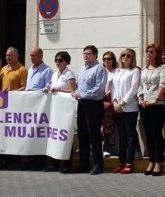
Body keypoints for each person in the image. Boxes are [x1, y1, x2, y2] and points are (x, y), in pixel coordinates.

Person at [73, 45, 107, 175]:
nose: (85, 56)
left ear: (95, 55)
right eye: (84, 53)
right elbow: (78, 86)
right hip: (82, 105)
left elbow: (99, 89)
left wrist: (82, 94)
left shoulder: (99, 69)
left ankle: (98, 165)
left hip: (93, 105)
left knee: (94, 135)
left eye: (88, 53)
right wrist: (76, 92)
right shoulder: (82, 69)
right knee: (82, 135)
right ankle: (84, 163)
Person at [138, 42, 165, 176]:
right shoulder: (144, 70)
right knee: (148, 134)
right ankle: (151, 160)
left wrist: (155, 99)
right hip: (145, 105)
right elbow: (140, 86)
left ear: (157, 54)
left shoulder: (163, 68)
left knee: (157, 133)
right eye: (147, 51)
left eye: (151, 52)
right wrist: (140, 99)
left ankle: (158, 161)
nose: (148, 54)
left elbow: (164, 84)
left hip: (157, 105)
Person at [43, 51, 76, 173]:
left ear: (66, 61)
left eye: (60, 60)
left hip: (65, 110)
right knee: (54, 135)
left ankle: (66, 164)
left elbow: (71, 90)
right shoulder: (54, 74)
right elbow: (50, 85)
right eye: (56, 60)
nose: (58, 62)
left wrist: (59, 89)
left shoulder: (69, 74)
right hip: (55, 110)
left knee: (65, 135)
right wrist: (48, 88)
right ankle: (54, 163)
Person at [110, 48, 140, 175]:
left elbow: (133, 90)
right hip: (118, 107)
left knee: (130, 135)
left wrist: (123, 103)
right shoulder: (118, 71)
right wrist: (115, 102)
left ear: (132, 58)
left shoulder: (135, 71)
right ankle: (121, 162)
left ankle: (129, 162)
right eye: (123, 55)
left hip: (130, 108)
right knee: (121, 136)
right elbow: (114, 89)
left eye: (128, 56)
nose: (125, 57)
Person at [24, 46, 54, 170]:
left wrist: (35, 91)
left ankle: (40, 161)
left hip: (40, 109)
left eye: (33, 55)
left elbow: (48, 88)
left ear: (40, 56)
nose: (31, 57)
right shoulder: (30, 69)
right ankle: (31, 160)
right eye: (30, 55)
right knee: (30, 134)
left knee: (39, 134)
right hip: (29, 108)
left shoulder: (47, 71)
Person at [0, 47, 27, 169]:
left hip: (15, 106)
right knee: (3, 133)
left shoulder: (22, 69)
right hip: (3, 106)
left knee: (13, 134)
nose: (7, 57)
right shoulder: (4, 69)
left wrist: (13, 91)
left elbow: (24, 87)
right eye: (6, 55)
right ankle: (4, 159)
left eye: (10, 55)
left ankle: (14, 161)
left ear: (16, 56)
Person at [101, 51, 118, 158]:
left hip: (112, 101)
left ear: (113, 60)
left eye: (109, 59)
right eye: (104, 59)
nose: (106, 61)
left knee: (108, 126)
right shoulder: (101, 72)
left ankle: (107, 148)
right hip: (99, 100)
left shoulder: (116, 72)